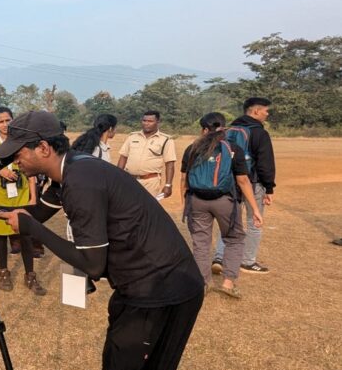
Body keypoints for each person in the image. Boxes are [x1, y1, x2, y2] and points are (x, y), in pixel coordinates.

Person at [0, 110, 204, 370]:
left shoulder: (81, 181)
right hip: (141, 288)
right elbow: (36, 213)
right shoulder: (71, 170)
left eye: (17, 154)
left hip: (162, 292)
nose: (13, 163)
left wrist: (32, 231)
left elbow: (92, 263)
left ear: (44, 148)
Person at [181, 113, 263, 299]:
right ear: (223, 128)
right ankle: (228, 283)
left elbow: (184, 178)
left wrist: (185, 202)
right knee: (234, 239)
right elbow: (242, 180)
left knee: (201, 243)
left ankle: (204, 283)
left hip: (197, 200)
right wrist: (255, 209)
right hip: (225, 201)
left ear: (203, 129)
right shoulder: (233, 149)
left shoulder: (191, 149)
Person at [0, 107, 46, 295]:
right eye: (1, 121)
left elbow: (33, 168)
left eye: (8, 120)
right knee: (1, 235)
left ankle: (30, 275)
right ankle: (4, 272)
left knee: (25, 235)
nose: (5, 124)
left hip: (22, 193)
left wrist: (34, 196)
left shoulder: (22, 141)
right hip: (0, 195)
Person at [213, 97, 276, 274]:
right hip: (252, 183)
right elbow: (265, 163)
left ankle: (219, 256)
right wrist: (269, 188)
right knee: (254, 221)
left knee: (230, 221)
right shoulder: (259, 133)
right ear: (255, 111)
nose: (267, 113)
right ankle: (248, 261)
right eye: (265, 110)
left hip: (229, 183)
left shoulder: (228, 130)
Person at [117, 110, 177, 199]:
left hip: (150, 182)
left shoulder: (166, 140)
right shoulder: (132, 137)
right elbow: (123, 157)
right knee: (126, 207)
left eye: (150, 121)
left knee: (146, 210)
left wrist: (168, 185)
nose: (146, 123)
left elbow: (170, 164)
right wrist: (117, 177)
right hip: (129, 180)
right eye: (144, 121)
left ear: (158, 122)